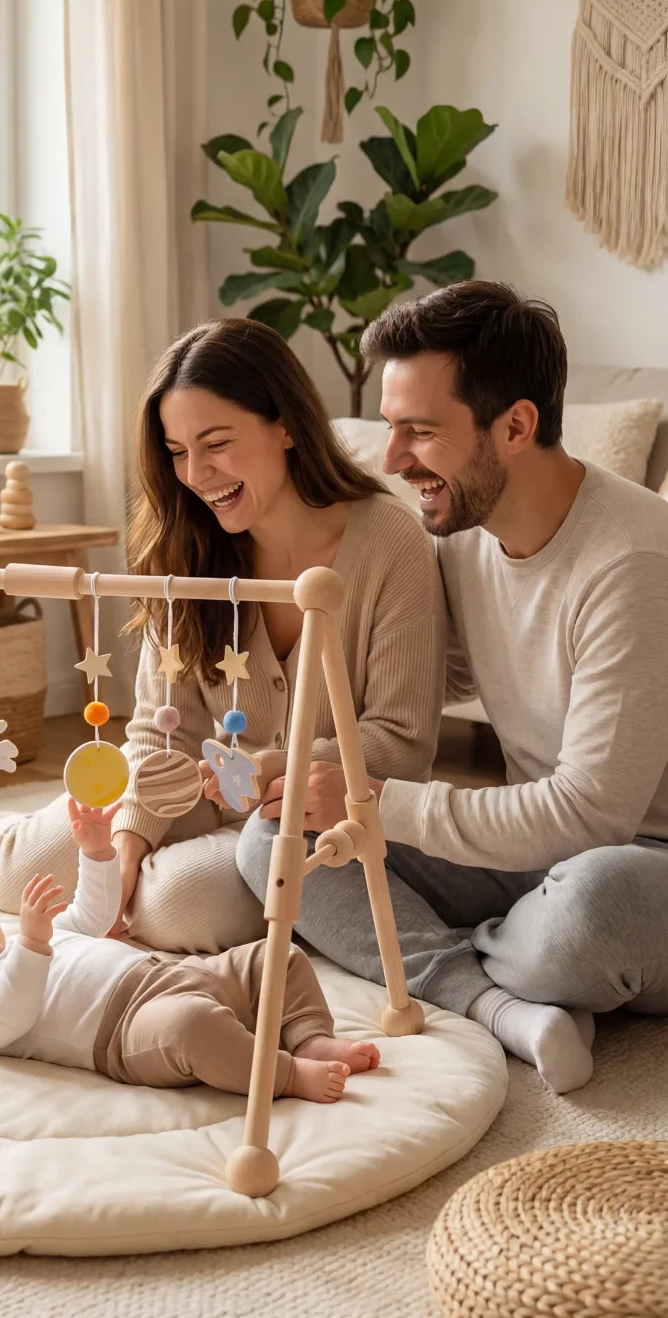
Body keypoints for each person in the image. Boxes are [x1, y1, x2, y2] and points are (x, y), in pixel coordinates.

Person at [237, 280, 668, 1094]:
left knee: (586, 912)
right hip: (535, 860)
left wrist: (377, 804)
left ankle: (481, 960)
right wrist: (299, 760)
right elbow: (410, 686)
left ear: (516, 427)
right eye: (391, 428)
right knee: (278, 836)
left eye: (421, 432)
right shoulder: (461, 543)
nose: (393, 460)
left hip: (637, 865)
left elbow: (593, 813)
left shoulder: (632, 562)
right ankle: (499, 1005)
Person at [0, 317, 446, 955]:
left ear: (287, 425)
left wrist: (276, 766)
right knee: (27, 872)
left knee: (174, 908)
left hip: (305, 814)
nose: (196, 473)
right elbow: (163, 734)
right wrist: (126, 846)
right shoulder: (184, 548)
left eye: (216, 443)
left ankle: (135, 862)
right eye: (178, 451)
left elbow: (402, 743)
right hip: (196, 787)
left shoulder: (391, 542)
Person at [0, 800, 379, 1104]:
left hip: (175, 975)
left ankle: (309, 1038)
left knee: (275, 955)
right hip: (132, 1031)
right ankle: (286, 1075)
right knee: (194, 1026)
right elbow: (7, 1016)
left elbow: (94, 914)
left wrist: (97, 851)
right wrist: (31, 944)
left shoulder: (35, 940)